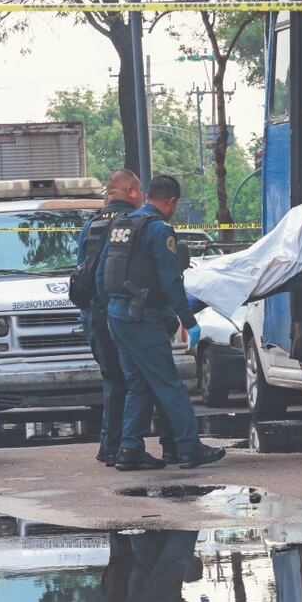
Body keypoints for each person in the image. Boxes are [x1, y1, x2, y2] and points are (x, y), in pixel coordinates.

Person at [97, 175, 225, 471]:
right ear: (171, 202)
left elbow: (103, 273)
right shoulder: (158, 230)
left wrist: (110, 310)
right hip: (141, 318)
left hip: (117, 316)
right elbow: (171, 282)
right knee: (169, 384)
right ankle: (190, 449)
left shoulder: (122, 226)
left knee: (138, 384)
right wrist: (189, 321)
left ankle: (129, 449)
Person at [75, 170, 179, 466]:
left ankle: (111, 445)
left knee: (114, 380)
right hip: (130, 313)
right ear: (132, 191)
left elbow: (83, 270)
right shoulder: (137, 225)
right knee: (151, 378)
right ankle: (169, 445)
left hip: (96, 314)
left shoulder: (90, 225)